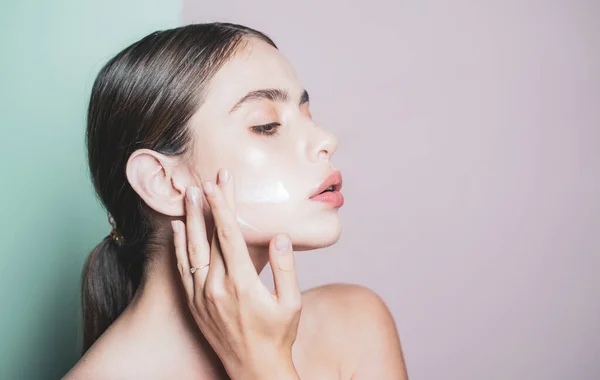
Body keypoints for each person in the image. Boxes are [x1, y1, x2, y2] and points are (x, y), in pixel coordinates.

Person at [64, 22, 408, 379]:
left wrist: (264, 362)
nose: (326, 139)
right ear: (163, 182)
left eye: (307, 115)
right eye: (267, 125)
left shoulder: (352, 327)